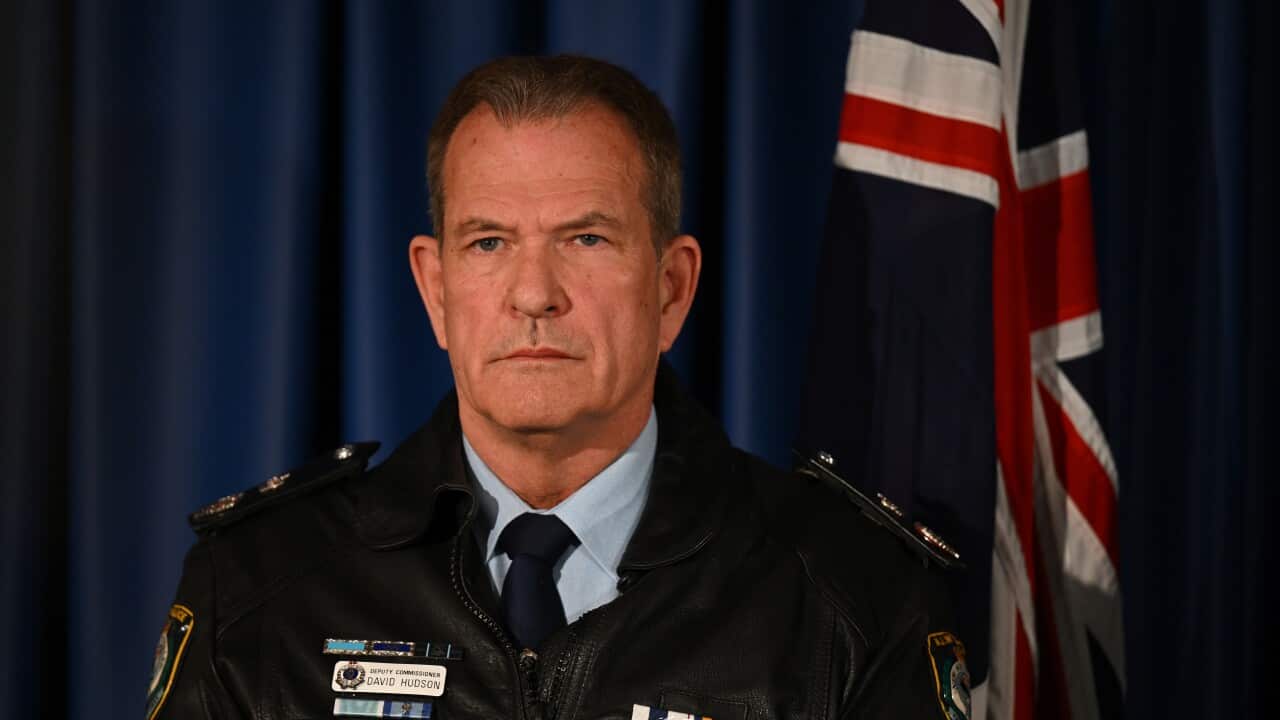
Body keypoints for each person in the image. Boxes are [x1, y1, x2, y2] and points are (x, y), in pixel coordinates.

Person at [148, 55, 969, 720]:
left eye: (585, 236)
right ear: (435, 292)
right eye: (488, 242)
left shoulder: (850, 595)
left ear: (671, 289)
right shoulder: (256, 592)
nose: (534, 292)